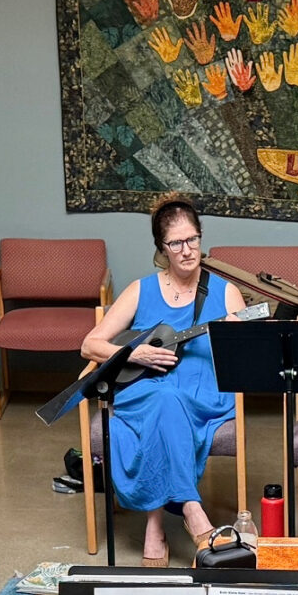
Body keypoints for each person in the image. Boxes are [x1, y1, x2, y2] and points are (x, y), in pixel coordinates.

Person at [77, 196, 247, 564]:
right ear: (161, 248)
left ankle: (155, 525)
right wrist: (133, 354)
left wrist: (239, 337)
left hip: (204, 392)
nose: (187, 250)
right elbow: (89, 345)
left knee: (169, 403)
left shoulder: (225, 291)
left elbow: (247, 358)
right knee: (163, 400)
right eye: (176, 243)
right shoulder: (141, 290)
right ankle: (192, 511)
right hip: (145, 387)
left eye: (193, 240)